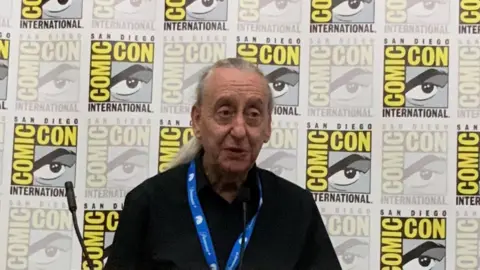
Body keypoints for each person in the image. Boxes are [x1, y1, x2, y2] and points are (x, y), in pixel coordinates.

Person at [104, 58, 341, 270]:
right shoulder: (148, 203)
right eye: (225, 112)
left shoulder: (296, 208)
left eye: (253, 114)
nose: (239, 130)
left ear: (268, 127)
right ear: (197, 120)